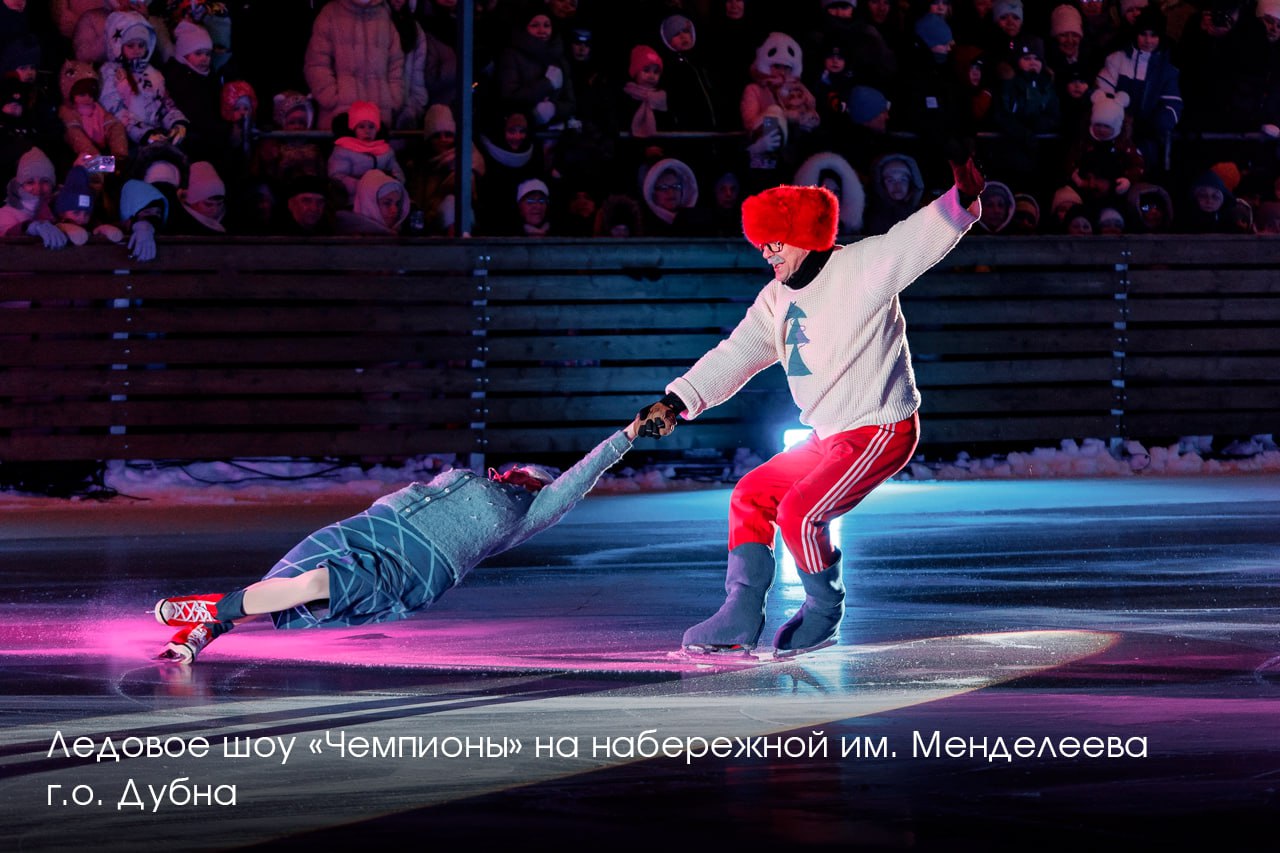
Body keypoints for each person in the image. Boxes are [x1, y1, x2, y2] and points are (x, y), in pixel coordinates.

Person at [636, 155, 984, 658]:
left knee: (801, 512)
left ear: (801, 234)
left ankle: (824, 607)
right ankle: (740, 611)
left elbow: (914, 240)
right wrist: (678, 400)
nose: (765, 253)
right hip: (829, 437)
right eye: (761, 244)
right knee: (751, 493)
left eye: (773, 242)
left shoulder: (861, 267)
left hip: (878, 428)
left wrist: (960, 202)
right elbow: (736, 354)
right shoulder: (776, 298)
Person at [154, 419, 644, 662]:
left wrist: (627, 435)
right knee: (290, 579)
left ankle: (213, 613)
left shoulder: (529, 513)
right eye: (520, 474)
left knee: (317, 585)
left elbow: (583, 474)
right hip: (372, 525)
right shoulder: (474, 478)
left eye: (533, 481)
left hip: (417, 564)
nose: (522, 481)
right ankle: (207, 628)